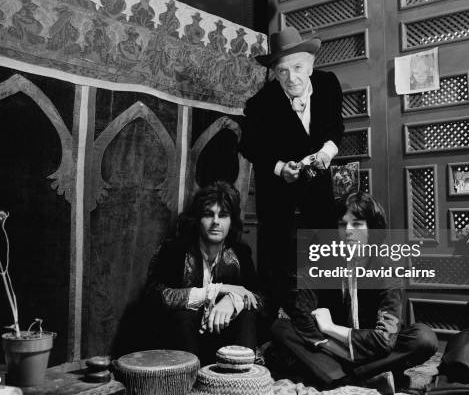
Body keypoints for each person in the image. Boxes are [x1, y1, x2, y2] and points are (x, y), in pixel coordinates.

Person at [271, 192, 438, 389]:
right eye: (342, 224)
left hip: (370, 348)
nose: (348, 231)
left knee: (423, 338)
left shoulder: (387, 269)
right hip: (332, 348)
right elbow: (302, 314)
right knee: (282, 328)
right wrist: (333, 345)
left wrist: (330, 327)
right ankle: (354, 379)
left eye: (357, 224)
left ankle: (341, 377)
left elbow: (384, 339)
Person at [240, 26, 343, 314]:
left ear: (310, 65)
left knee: (325, 245)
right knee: (277, 254)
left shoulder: (328, 85)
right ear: (274, 72)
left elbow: (336, 128)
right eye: (282, 71)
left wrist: (326, 152)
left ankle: (331, 317)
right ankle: (274, 323)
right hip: (276, 186)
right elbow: (248, 147)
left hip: (316, 178)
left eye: (298, 67)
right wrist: (279, 167)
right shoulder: (260, 104)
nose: (291, 77)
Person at [145, 181, 262, 364]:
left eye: (223, 215)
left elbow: (259, 298)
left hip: (223, 340)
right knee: (182, 316)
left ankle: (242, 382)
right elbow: (155, 296)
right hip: (183, 342)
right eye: (208, 215)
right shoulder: (174, 250)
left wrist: (232, 300)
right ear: (197, 219)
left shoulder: (240, 252)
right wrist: (218, 289)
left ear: (231, 222)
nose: (216, 222)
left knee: (246, 316)